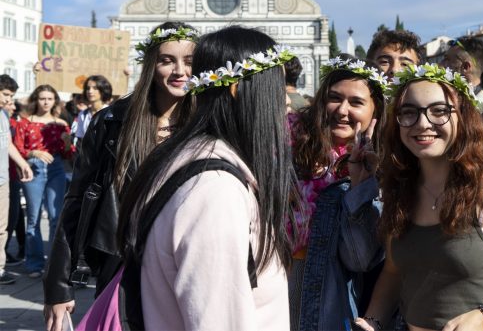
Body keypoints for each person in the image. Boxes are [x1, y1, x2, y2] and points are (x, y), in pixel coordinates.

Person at [115, 26, 296, 329]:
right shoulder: (215, 193)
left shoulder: (195, 161)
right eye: (278, 88)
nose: (287, 101)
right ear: (237, 89)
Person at [354, 63, 483, 331]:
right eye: (409, 112)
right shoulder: (399, 192)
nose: (423, 123)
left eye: (439, 111)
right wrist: (372, 321)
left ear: (463, 117)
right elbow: (393, 271)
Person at [43, 22, 199, 331]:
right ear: (151, 64)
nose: (180, 71)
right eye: (167, 60)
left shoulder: (209, 119)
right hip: (123, 263)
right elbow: (77, 200)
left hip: (190, 262)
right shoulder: (113, 121)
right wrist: (58, 285)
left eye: (189, 61)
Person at [289, 56, 386, 331]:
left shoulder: (383, 168)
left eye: (356, 102)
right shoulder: (285, 147)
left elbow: (360, 259)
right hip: (271, 290)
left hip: (326, 304)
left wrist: (360, 186)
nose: (342, 110)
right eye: (334, 98)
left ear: (375, 111)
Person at [13, 84, 75, 278]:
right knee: (33, 217)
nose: (46, 102)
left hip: (56, 168)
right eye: (42, 98)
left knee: (56, 217)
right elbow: (17, 148)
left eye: (49, 98)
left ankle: (55, 264)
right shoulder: (25, 122)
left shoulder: (61, 124)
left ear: (55, 101)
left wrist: (67, 143)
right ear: (36, 100)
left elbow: (67, 154)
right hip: (33, 168)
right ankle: (34, 264)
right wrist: (34, 153)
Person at [0, 75, 32, 285]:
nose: (8, 100)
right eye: (5, 94)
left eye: (11, 96)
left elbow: (8, 143)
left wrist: (23, 163)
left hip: (2, 179)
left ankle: (0, 269)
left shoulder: (3, 114)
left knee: (1, 228)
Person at [441, 36, 483, 110]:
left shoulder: (481, 108)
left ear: (465, 67)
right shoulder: (463, 101)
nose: (441, 64)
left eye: (447, 59)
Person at [71, 75, 113, 146]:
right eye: (88, 88)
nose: (90, 91)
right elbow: (81, 139)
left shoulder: (110, 114)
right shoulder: (83, 114)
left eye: (95, 88)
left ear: (102, 90)